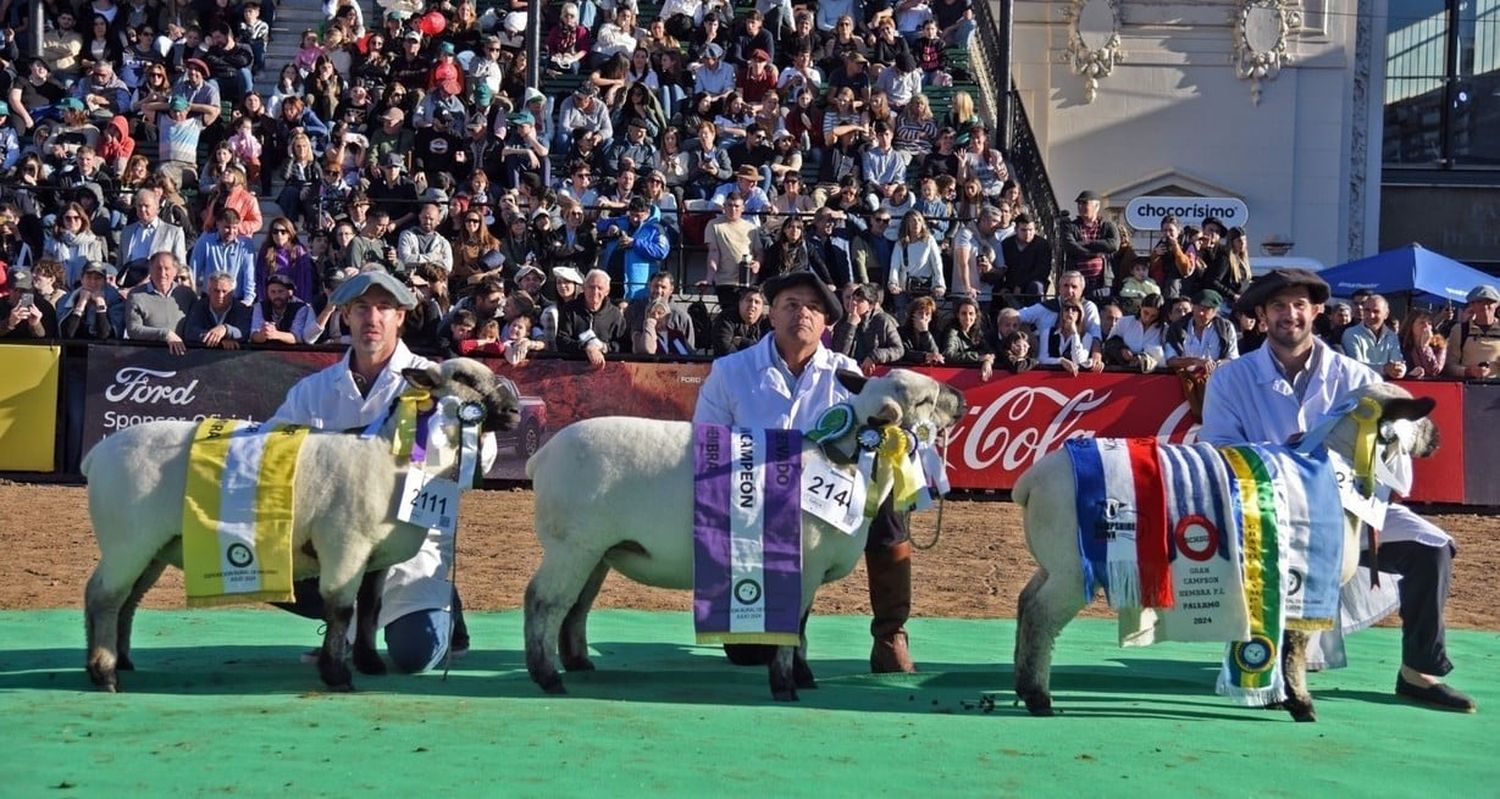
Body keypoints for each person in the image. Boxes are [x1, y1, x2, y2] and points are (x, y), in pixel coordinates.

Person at [1200, 268, 1474, 712]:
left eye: (1299, 305)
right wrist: (1284, 457)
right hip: (1265, 519)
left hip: (1346, 515)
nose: (1290, 314)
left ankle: (1418, 672)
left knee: (1431, 547)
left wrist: (1368, 454)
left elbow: (1396, 460)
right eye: (1278, 306)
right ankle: (1267, 663)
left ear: (1317, 312)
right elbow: (1220, 452)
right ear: (1263, 315)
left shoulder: (1356, 377)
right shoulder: (1230, 379)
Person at [694, 271, 919, 674]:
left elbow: (871, 440)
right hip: (755, 510)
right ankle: (775, 619)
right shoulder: (729, 371)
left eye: (814, 308)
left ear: (826, 323)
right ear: (771, 315)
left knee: (887, 492)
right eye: (791, 305)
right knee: (748, 656)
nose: (803, 314)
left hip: (824, 509)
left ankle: (891, 633)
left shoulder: (849, 374)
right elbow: (708, 447)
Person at [266, 271, 478, 672]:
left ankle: (444, 603)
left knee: (414, 656)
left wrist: (466, 443)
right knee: (252, 560)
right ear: (345, 315)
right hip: (335, 545)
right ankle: (341, 628)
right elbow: (271, 449)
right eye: (361, 308)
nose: (372, 318)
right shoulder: (313, 390)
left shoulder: (434, 383)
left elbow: (471, 465)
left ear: (401, 317)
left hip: (407, 550)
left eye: (384, 308)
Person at [555, 269, 630, 367]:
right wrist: (586, 347)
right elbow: (561, 341)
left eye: (600, 288)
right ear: (584, 288)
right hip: (572, 368)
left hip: (605, 370)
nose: (595, 292)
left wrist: (604, 347)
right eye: (591, 287)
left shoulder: (615, 314)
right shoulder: (569, 309)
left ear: (607, 291)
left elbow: (625, 345)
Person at [125, 251, 196, 354]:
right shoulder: (136, 295)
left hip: (184, 357)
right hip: (148, 357)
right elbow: (133, 330)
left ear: (175, 271)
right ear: (151, 270)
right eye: (158, 268)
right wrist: (164, 334)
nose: (162, 274)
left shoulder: (187, 294)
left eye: (167, 269)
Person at [831, 283, 904, 373]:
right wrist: (850, 326)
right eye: (851, 298)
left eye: (859, 300)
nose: (853, 302)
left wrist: (874, 356)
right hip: (849, 374)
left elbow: (898, 350)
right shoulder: (841, 322)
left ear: (870, 305)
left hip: (877, 374)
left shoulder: (882, 321)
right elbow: (839, 355)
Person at [1343, 293, 1406, 379]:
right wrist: (1384, 369)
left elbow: (1397, 362)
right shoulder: (1350, 333)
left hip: (1386, 387)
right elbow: (1355, 366)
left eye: (1376, 311)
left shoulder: (1392, 336)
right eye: (1367, 310)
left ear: (1386, 314)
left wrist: (1401, 369)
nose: (1371, 315)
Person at [184, 272, 254, 349]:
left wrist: (226, 329)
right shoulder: (199, 306)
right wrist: (217, 339)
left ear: (232, 293)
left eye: (224, 291)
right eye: (216, 291)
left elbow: (245, 331)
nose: (220, 296)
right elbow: (190, 332)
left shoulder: (242, 309)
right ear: (209, 291)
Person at [1444, 285, 1499, 379]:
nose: (1485, 306)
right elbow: (1449, 366)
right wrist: (1467, 371)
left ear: (1497, 305)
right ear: (1472, 305)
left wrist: (1492, 368)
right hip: (1469, 387)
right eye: (1479, 302)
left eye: (1489, 302)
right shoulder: (1459, 330)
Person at [710, 286, 769, 355]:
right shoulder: (726, 318)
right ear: (740, 303)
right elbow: (724, 348)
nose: (752, 305)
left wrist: (743, 342)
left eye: (757, 302)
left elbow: (771, 350)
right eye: (749, 300)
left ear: (762, 308)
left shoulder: (767, 322)